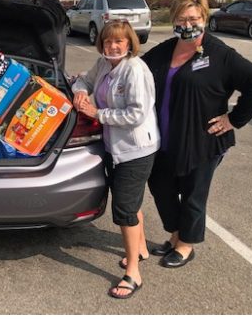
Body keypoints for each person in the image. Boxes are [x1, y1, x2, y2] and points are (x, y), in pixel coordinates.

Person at [141, 0, 252, 268]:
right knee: (161, 188)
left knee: (193, 194)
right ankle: (176, 235)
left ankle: (186, 245)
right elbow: (135, 69)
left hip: (201, 140)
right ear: (173, 19)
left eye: (194, 18)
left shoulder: (219, 53)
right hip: (163, 139)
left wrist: (234, 120)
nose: (187, 24)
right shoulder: (165, 50)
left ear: (204, 19)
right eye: (181, 19)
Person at [72, 20, 159, 299]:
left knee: (123, 209)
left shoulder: (135, 70)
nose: (112, 46)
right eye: (108, 41)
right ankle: (142, 249)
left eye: (119, 41)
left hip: (135, 150)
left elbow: (136, 114)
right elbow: (84, 79)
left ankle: (133, 272)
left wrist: (97, 114)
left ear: (129, 43)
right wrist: (81, 92)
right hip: (114, 147)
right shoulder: (104, 63)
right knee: (131, 203)